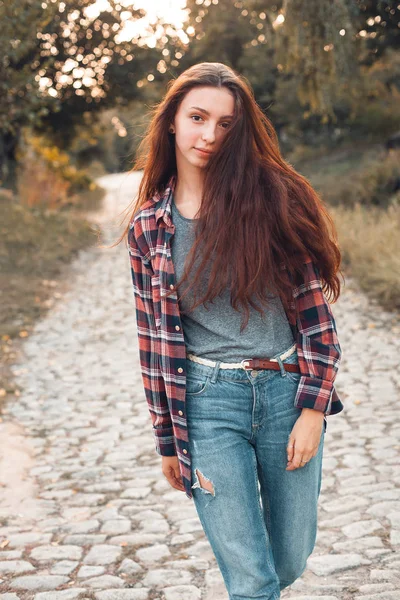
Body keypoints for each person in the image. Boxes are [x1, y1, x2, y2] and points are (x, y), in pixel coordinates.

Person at [123, 62, 344, 599]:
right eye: (198, 117)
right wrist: (166, 441)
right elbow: (153, 345)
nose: (209, 135)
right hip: (205, 404)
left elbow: (316, 316)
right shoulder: (149, 227)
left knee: (289, 558)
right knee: (251, 579)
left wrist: (314, 409)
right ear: (172, 121)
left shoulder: (272, 201)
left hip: (284, 390)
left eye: (225, 124)